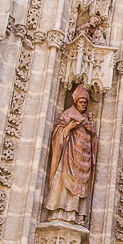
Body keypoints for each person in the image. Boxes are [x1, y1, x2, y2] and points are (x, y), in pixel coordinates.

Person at [43, 84, 98, 224]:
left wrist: (92, 132)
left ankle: (75, 214)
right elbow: (58, 134)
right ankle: (59, 211)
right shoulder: (67, 114)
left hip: (82, 160)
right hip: (69, 156)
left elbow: (93, 141)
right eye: (81, 102)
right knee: (64, 182)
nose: (83, 105)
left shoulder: (87, 118)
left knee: (79, 188)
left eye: (85, 102)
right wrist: (70, 127)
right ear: (75, 101)